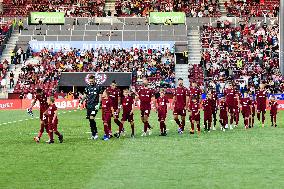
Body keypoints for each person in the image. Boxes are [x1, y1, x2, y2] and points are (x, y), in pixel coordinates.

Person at [78, 74, 102, 140]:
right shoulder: (87, 87)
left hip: (95, 105)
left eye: (92, 81)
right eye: (90, 81)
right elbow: (85, 96)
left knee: (91, 118)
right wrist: (81, 102)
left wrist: (99, 104)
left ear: (94, 80)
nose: (91, 82)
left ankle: (95, 134)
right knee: (90, 119)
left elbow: (100, 96)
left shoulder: (98, 87)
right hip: (89, 105)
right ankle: (93, 134)